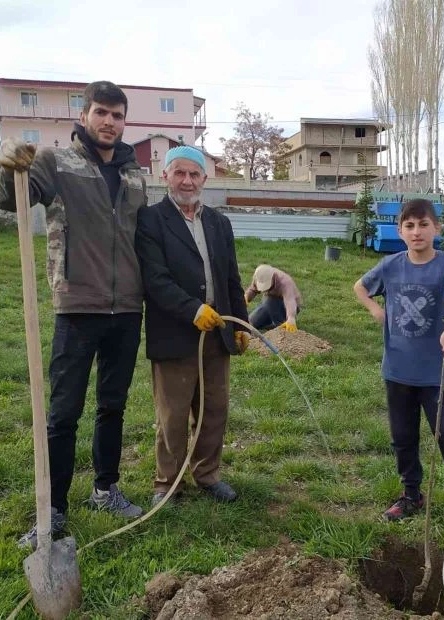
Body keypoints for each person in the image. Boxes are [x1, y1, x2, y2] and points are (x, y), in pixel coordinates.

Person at [0, 81, 147, 549]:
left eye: (118, 116)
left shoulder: (135, 173)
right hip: (77, 304)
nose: (110, 122)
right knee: (63, 413)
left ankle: (105, 488)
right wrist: (8, 168)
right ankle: (54, 507)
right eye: (102, 113)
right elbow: (9, 199)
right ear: (85, 117)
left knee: (113, 405)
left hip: (127, 310)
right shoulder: (56, 162)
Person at [353, 199, 444, 525]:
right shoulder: (390, 266)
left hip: (434, 374)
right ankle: (411, 494)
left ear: (436, 229)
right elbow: (360, 287)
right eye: (409, 226)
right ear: (399, 231)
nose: (417, 232)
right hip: (397, 371)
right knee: (403, 438)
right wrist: (375, 310)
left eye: (424, 224)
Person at [135, 146, 250, 507]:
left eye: (194, 174)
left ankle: (207, 474)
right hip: (174, 331)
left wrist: (241, 324)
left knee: (214, 409)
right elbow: (155, 280)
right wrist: (191, 309)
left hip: (217, 330)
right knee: (172, 415)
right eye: (179, 173)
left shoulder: (219, 222)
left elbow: (231, 278)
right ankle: (167, 483)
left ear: (204, 179)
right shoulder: (150, 220)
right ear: (164, 176)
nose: (187, 180)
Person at [244, 264, 301, 332]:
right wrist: (246, 297)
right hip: (269, 306)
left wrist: (291, 317)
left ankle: (281, 327)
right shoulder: (259, 276)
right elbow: (253, 290)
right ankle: (271, 322)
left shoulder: (284, 282)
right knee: (252, 322)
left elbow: (290, 300)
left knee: (269, 300)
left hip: (289, 307)